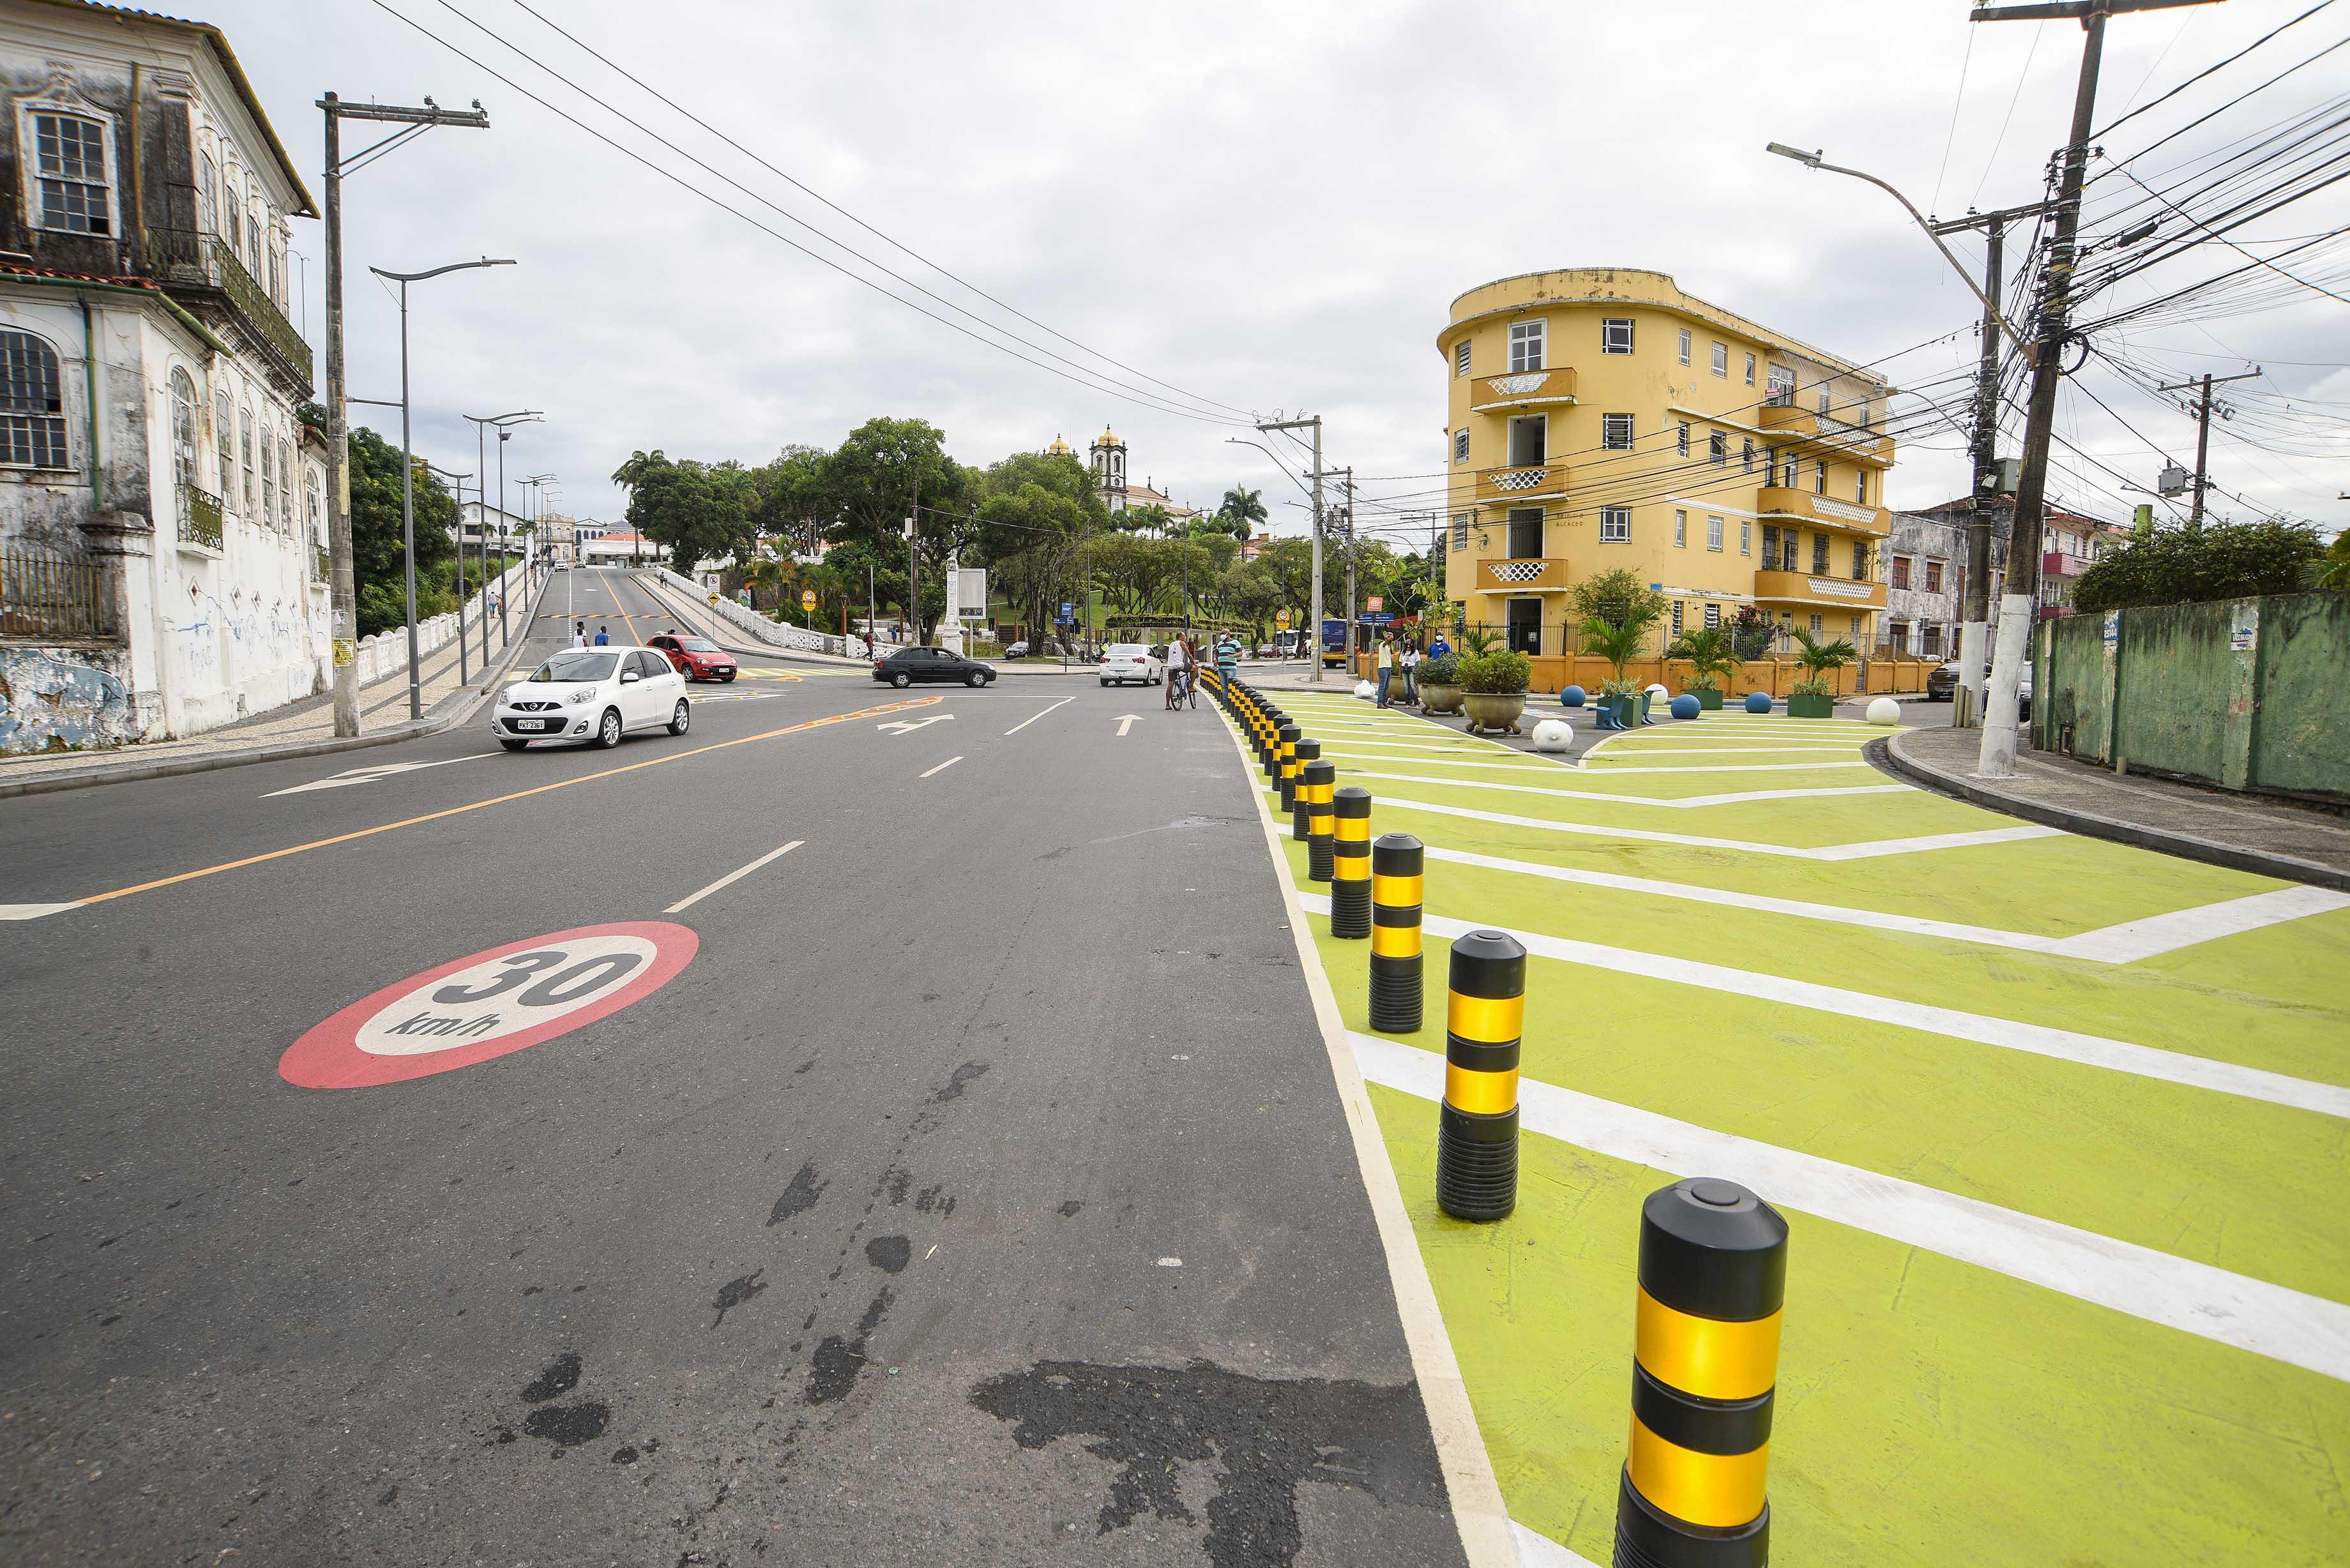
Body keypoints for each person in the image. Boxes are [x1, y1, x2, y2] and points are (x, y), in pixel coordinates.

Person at [1164, 632, 1191, 709]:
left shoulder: (1172, 644)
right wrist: (1193, 662)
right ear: (1180, 637)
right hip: (1179, 665)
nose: (1185, 638)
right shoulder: (1182, 643)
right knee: (1194, 668)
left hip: (1171, 666)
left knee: (1170, 685)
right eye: (1184, 636)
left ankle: (1167, 705)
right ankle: (1191, 687)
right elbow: (1188, 654)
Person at [1374, 633, 1397, 708]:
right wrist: (1388, 640)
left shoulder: (1388, 646)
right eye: (1389, 636)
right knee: (1382, 687)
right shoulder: (1382, 644)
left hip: (1388, 667)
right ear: (1385, 637)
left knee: (1386, 687)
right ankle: (1380, 702)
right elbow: (1385, 644)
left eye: (1391, 636)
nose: (1391, 638)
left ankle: (1383, 702)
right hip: (1383, 668)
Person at [1400, 638, 1421, 706]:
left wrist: (1418, 670)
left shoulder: (1415, 652)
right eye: (1407, 642)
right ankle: (1407, 702)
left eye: (1409, 642)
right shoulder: (1403, 652)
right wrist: (1400, 672)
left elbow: (1418, 662)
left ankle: (1416, 702)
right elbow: (1400, 662)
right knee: (1407, 686)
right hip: (1404, 669)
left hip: (1412, 668)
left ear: (1412, 643)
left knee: (1413, 685)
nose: (1408, 644)